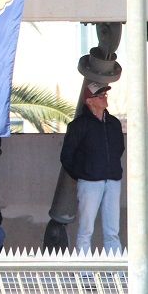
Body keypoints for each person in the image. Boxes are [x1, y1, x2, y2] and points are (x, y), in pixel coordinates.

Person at [61, 82, 124, 253]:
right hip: (89, 183)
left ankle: (115, 267)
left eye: (104, 94)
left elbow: (119, 149)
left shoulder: (114, 123)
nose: (104, 97)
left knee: (112, 231)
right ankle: (84, 267)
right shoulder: (78, 125)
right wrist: (84, 174)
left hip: (113, 181)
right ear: (89, 101)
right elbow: (66, 156)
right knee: (86, 230)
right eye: (100, 95)